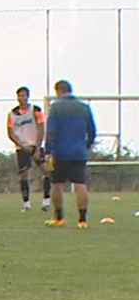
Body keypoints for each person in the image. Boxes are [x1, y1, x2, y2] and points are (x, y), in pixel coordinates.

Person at [45, 80, 96, 229]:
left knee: (56, 184)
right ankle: (82, 220)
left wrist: (49, 151)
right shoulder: (84, 107)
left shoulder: (55, 107)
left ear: (58, 91)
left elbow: (51, 131)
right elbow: (92, 131)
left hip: (61, 152)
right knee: (80, 184)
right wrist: (85, 146)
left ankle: (59, 218)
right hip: (79, 152)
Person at [7, 86, 52, 212]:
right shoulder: (12, 114)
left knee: (46, 171)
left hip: (35, 145)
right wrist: (21, 146)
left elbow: (41, 127)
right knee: (24, 175)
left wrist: (37, 147)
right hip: (22, 148)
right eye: (19, 96)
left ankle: (46, 202)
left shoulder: (36, 110)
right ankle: (26, 204)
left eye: (24, 95)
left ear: (28, 96)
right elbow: (10, 133)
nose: (22, 98)